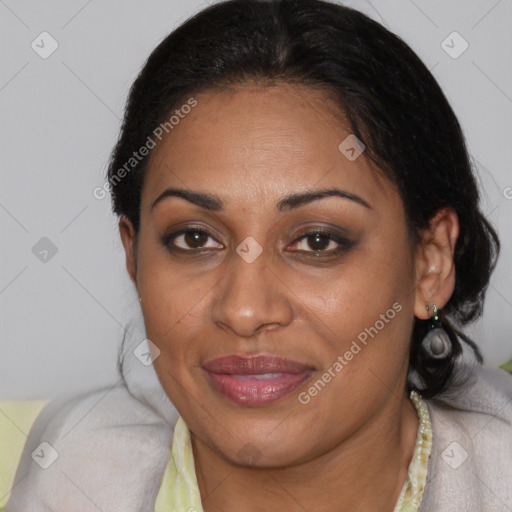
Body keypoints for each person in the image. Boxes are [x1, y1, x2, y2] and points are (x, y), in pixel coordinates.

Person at [6, 0, 512, 510]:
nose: (244, 311)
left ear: (431, 262)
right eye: (195, 239)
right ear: (133, 258)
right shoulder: (71, 476)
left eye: (318, 241)